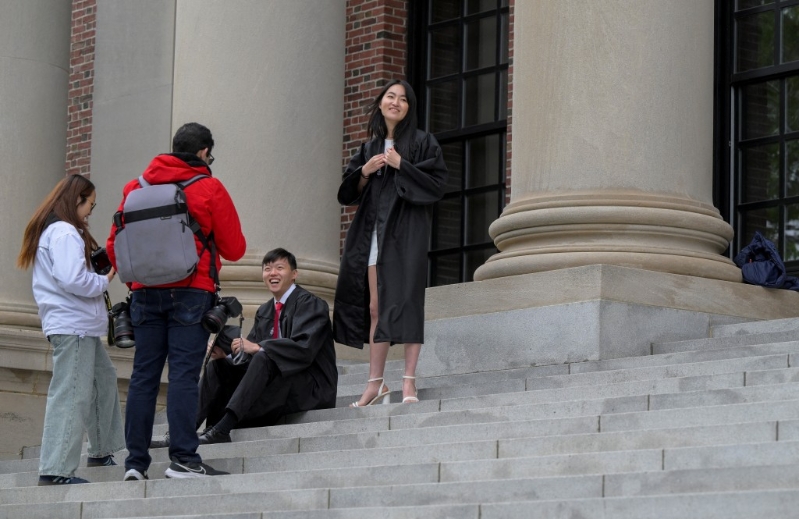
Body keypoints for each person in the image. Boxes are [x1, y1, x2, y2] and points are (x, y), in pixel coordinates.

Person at [106, 122, 246, 480]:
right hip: (191, 291)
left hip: (143, 294)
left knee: (143, 378)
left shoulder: (134, 188)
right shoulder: (209, 187)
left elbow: (113, 248)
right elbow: (235, 248)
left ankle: (135, 464)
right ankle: (183, 459)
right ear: (203, 153)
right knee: (183, 376)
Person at [334, 79, 448, 407]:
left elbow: (437, 184)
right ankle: (375, 384)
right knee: (375, 308)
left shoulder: (423, 142)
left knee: (408, 302)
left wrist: (402, 165)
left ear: (409, 108)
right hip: (373, 234)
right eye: (390, 97)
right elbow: (347, 193)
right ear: (381, 104)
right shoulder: (368, 149)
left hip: (406, 232)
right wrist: (366, 172)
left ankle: (408, 382)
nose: (395, 102)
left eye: (402, 99)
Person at [17, 174, 125, 486]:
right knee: (72, 394)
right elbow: (73, 280)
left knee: (102, 382)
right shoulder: (64, 232)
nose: (91, 211)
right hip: (73, 325)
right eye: (90, 204)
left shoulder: (56, 231)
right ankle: (55, 470)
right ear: (76, 200)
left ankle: (101, 450)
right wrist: (104, 280)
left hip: (78, 325)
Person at [196, 248, 337, 444]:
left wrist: (260, 348)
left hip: (310, 386)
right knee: (218, 367)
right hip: (278, 381)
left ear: (294, 274)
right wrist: (227, 357)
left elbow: (304, 349)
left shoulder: (311, 304)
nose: (272, 273)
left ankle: (223, 427)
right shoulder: (265, 310)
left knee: (264, 355)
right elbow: (251, 355)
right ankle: (184, 430)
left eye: (280, 268)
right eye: (267, 269)